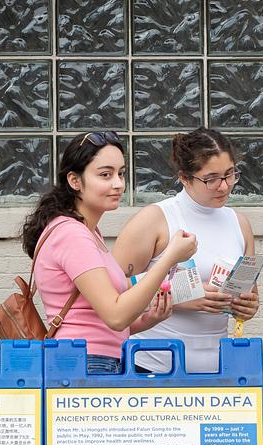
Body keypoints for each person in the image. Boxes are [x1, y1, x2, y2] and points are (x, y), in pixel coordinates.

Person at [21, 131, 197, 374]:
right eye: (105, 175)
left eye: (121, 173)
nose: (118, 184)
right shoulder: (72, 234)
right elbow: (115, 315)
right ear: (75, 181)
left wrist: (148, 320)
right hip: (87, 364)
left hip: (94, 360)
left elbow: (99, 322)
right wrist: (170, 257)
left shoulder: (88, 232)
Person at [113, 128, 260, 373]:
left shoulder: (240, 223)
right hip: (152, 365)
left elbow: (248, 288)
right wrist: (181, 296)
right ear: (184, 178)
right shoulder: (155, 219)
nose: (224, 186)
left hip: (219, 368)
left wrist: (248, 306)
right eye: (211, 178)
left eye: (230, 174)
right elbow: (113, 290)